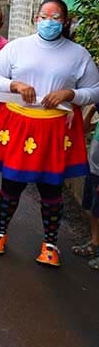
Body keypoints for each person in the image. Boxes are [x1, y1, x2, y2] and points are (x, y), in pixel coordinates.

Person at [0, 0, 99, 267]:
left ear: (65, 22)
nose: (49, 22)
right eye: (44, 16)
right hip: (21, 124)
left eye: (55, 17)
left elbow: (96, 89)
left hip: (56, 129)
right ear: (36, 18)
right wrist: (15, 84)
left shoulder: (78, 54)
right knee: (11, 183)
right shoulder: (17, 48)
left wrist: (72, 93)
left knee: (51, 188)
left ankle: (50, 245)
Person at [73, 103, 99, 271]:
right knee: (95, 210)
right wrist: (92, 109)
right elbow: (83, 128)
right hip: (94, 169)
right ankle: (95, 243)